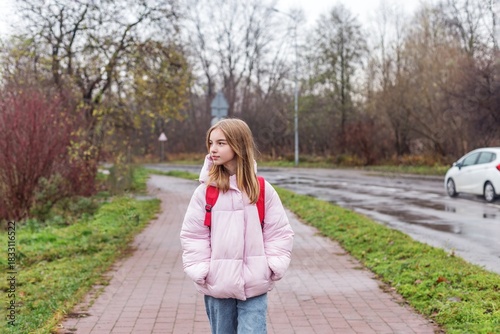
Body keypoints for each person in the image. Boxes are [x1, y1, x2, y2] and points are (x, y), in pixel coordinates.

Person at [180, 118, 294, 334]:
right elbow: (193, 235)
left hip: (254, 284)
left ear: (239, 145)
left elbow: (279, 232)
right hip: (217, 285)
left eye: (221, 143)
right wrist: (202, 270)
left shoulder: (261, 189)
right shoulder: (205, 192)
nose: (213, 149)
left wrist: (272, 266)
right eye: (211, 143)